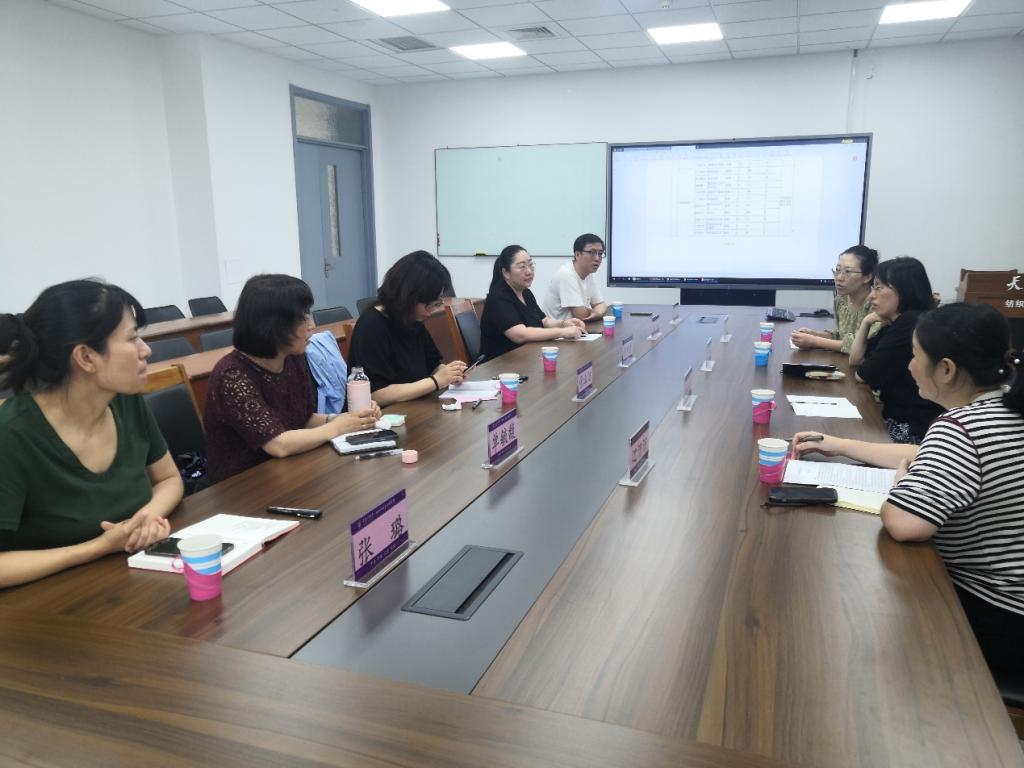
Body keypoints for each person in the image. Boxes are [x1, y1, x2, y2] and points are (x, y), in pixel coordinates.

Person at [792, 302, 1024, 678]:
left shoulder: (961, 428)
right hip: (1014, 602)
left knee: (850, 615)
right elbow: (924, 454)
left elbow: (904, 523)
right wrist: (840, 444)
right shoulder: (1004, 405)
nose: (909, 365)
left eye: (915, 355)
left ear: (946, 369)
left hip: (995, 614)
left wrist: (903, 486)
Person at [0, 280, 183, 589]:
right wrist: (99, 547)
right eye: (132, 338)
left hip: (131, 583)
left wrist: (145, 520)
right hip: (50, 602)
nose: (146, 350)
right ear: (86, 357)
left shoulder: (125, 400)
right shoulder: (11, 435)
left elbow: (169, 479)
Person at [203, 274, 380, 483]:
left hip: (288, 470)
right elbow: (278, 444)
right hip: (242, 484)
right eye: (303, 318)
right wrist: (337, 427)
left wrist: (349, 419)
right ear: (274, 326)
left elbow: (303, 419)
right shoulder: (232, 376)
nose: (311, 325)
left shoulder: (293, 357)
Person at [348, 251, 468, 406]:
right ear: (408, 296)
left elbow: (433, 366)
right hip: (386, 415)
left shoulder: (411, 319)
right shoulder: (371, 326)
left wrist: (452, 373)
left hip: (415, 406)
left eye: (436, 303)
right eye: (429, 304)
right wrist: (435, 381)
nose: (432, 311)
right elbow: (375, 394)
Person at [850, 256, 942, 443]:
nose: (871, 295)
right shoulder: (902, 322)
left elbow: (863, 374)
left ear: (904, 290)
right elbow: (855, 360)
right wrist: (866, 323)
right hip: (901, 419)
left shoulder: (910, 324)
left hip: (912, 428)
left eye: (878, 287)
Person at [480, 245, 586, 361]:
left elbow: (544, 321)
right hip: (500, 363)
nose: (529, 271)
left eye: (531, 265)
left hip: (525, 357)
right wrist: (562, 332)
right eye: (522, 267)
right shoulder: (498, 298)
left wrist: (564, 323)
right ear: (506, 273)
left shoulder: (525, 292)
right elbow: (520, 335)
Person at [791, 245, 880, 353]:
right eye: (837, 270)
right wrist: (814, 334)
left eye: (847, 272)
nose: (838, 277)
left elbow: (861, 346)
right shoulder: (841, 300)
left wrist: (814, 341)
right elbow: (841, 335)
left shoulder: (877, 305)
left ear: (867, 277)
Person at [542, 233, 609, 323]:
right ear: (577, 255)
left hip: (576, 328)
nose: (597, 258)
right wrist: (597, 312)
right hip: (558, 330)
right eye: (592, 253)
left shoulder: (588, 274)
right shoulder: (566, 274)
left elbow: (601, 304)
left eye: (600, 254)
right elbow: (580, 315)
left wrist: (596, 313)